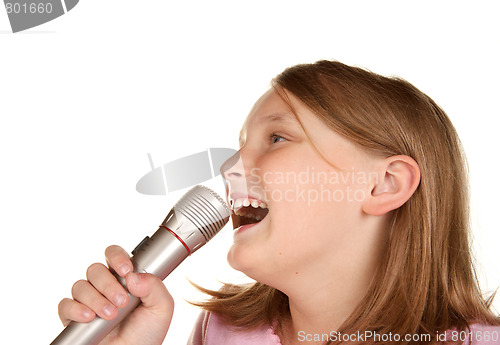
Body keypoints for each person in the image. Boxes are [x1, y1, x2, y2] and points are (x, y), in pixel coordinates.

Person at [58, 60, 500, 344]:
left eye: (276, 138)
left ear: (384, 184)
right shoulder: (221, 334)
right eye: (240, 145)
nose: (230, 165)